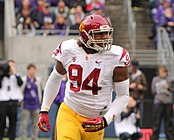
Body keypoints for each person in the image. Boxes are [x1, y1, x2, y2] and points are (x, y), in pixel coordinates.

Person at [37, 14, 130, 140]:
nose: (105, 38)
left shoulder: (116, 56)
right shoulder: (68, 50)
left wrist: (105, 120)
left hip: (95, 120)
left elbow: (123, 95)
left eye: (107, 33)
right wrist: (44, 109)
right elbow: (55, 78)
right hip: (70, 112)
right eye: (99, 34)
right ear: (86, 35)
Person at [0, 60, 23, 140]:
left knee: (13, 122)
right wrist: (3, 73)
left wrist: (14, 73)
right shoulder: (2, 75)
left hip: (13, 101)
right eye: (9, 66)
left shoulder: (16, 76)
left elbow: (20, 83)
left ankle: (12, 137)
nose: (10, 68)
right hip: (3, 101)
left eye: (12, 66)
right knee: (2, 122)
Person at [150, 65, 174, 140]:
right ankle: (154, 138)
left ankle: (170, 138)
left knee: (168, 123)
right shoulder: (155, 79)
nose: (160, 74)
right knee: (156, 123)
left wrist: (168, 87)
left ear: (166, 72)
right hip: (158, 103)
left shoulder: (171, 79)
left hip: (168, 104)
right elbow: (153, 91)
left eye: (162, 72)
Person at [19, 63, 42, 140]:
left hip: (35, 105)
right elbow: (21, 91)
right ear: (28, 70)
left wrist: (40, 102)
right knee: (24, 124)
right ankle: (23, 138)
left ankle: (34, 137)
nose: (32, 71)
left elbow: (39, 92)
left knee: (35, 124)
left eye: (33, 69)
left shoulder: (37, 80)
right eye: (31, 69)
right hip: (26, 105)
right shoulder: (24, 79)